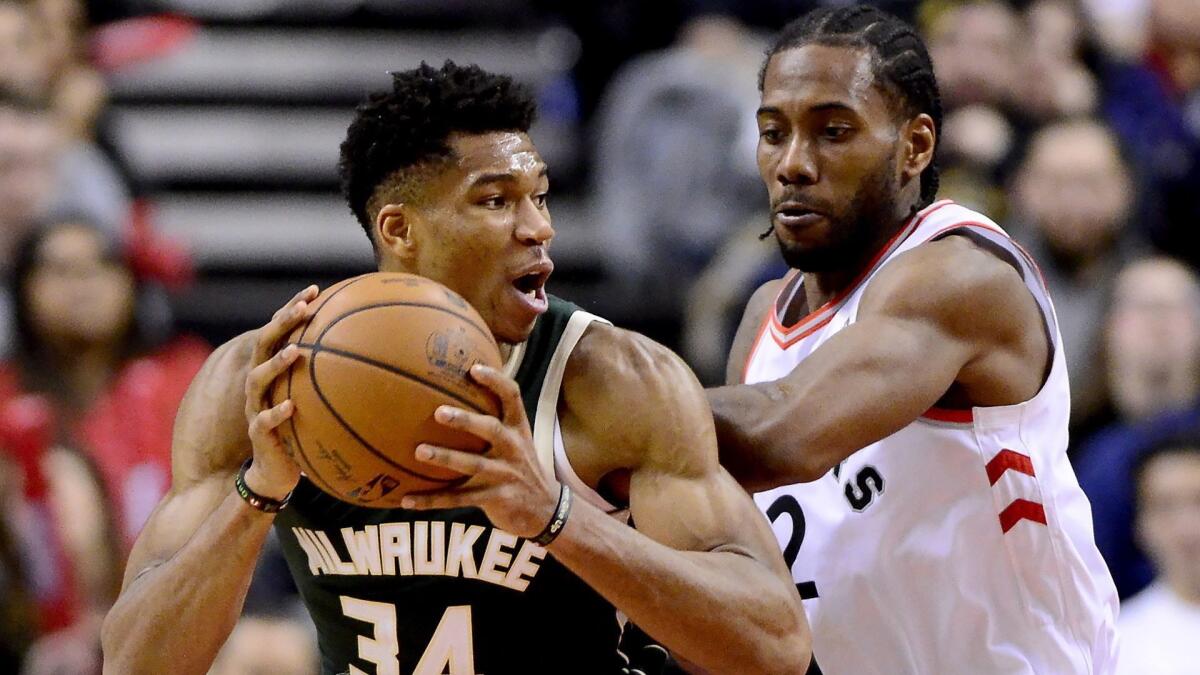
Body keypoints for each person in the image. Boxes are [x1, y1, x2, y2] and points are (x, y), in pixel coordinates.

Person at [101, 61, 809, 675]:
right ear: (400, 229)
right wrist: (259, 493)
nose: (539, 226)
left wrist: (556, 516)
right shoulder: (263, 381)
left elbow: (773, 645)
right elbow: (135, 661)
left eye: (540, 196)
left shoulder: (611, 379)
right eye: (497, 201)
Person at [704, 7, 1118, 673]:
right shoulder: (762, 319)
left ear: (916, 146)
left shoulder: (959, 273)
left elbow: (783, 436)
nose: (793, 164)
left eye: (832, 132)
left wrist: (571, 378)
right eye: (772, 133)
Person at [1115, 436, 1200, 675]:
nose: (1187, 528)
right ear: (1140, 526)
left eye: (1199, 501)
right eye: (1165, 507)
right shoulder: (1119, 643)